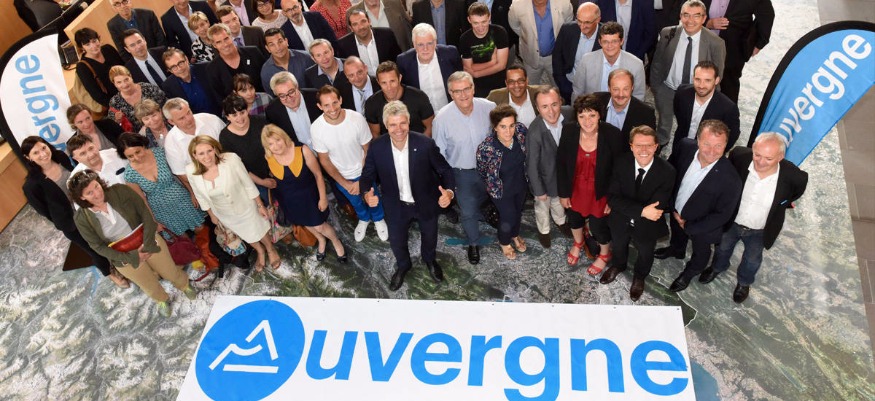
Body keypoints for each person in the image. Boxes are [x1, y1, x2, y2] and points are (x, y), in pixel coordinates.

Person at [70, 170, 197, 317]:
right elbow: (97, 246)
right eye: (89, 193)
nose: (97, 193)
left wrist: (148, 243)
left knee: (170, 271)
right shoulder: (81, 218)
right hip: (122, 257)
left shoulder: (120, 190)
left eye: (96, 186)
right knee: (148, 284)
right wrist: (133, 257)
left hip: (148, 240)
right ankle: (161, 299)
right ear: (81, 197)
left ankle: (184, 284)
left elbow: (145, 213)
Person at [700, 132, 807, 303]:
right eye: (757, 155)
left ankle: (744, 282)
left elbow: (794, 194)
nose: (761, 162)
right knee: (722, 248)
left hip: (760, 230)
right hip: (733, 221)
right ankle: (717, 267)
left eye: (769, 158)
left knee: (752, 260)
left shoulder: (795, 176)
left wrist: (782, 203)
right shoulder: (739, 156)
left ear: (780, 157)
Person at [360, 101, 455, 290]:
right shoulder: (377, 147)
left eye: (402, 123)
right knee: (397, 241)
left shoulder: (425, 143)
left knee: (430, 236)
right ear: (386, 126)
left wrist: (450, 192)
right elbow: (367, 175)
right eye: (393, 124)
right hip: (396, 205)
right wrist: (366, 194)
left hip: (425, 202)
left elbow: (445, 169)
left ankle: (429, 260)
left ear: (409, 122)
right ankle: (403, 265)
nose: (399, 129)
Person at [21, 137, 126, 289]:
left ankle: (122, 262)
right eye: (36, 153)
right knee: (93, 248)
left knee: (107, 237)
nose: (43, 154)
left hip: (89, 207)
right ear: (28, 157)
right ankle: (109, 273)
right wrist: (63, 219)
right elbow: (44, 210)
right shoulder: (31, 185)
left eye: (43, 148)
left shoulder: (60, 157)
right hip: (71, 222)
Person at [655, 119, 742, 293]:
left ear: (726, 145)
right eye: (707, 143)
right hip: (677, 211)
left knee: (701, 253)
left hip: (704, 226)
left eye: (718, 146)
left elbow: (722, 215)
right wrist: (671, 205)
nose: (712, 151)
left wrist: (689, 226)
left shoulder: (732, 179)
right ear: (698, 139)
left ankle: (689, 273)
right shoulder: (685, 147)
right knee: (677, 234)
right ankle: (677, 250)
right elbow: (671, 170)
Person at [117, 132, 222, 273]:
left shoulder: (160, 154)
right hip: (160, 209)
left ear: (143, 145)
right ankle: (197, 261)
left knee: (200, 227)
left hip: (181, 197)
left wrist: (192, 192)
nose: (136, 157)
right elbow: (141, 200)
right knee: (180, 237)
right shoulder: (129, 174)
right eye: (130, 156)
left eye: (138, 152)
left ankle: (210, 255)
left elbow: (179, 173)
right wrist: (153, 221)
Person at [599, 125, 676, 301]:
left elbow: (655, 208)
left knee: (645, 253)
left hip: (647, 226)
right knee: (618, 246)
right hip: (620, 220)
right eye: (639, 145)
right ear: (631, 146)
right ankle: (618, 266)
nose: (643, 150)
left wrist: (629, 207)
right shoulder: (620, 162)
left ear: (656, 146)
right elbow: (612, 198)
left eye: (648, 145)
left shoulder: (667, 172)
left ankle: (640, 277)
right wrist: (641, 210)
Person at [186, 135, 281, 271]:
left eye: (209, 151)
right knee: (245, 234)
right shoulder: (191, 171)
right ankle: (260, 251)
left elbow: (247, 183)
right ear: (194, 155)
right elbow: (200, 195)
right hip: (224, 213)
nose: (207, 157)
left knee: (258, 230)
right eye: (201, 153)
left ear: (215, 149)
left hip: (244, 205)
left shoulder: (231, 160)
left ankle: (270, 249)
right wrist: (211, 214)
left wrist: (260, 205)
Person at [556, 94, 626, 273]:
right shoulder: (569, 131)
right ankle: (578, 242)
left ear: (599, 115)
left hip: (601, 191)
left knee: (599, 227)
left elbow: (620, 171)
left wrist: (612, 199)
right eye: (582, 116)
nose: (587, 121)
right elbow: (561, 164)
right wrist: (563, 193)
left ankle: (604, 254)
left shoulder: (612, 134)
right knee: (574, 220)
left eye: (592, 115)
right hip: (575, 189)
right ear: (576, 117)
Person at [433, 71, 497, 265]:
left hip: (489, 169)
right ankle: (473, 242)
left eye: (466, 89)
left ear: (473, 88)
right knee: (467, 211)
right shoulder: (441, 119)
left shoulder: (489, 108)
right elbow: (438, 155)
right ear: (450, 93)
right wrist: (447, 182)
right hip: (461, 173)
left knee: (496, 200)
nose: (463, 95)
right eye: (457, 91)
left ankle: (487, 216)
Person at [311, 86, 388, 241]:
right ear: (319, 106)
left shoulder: (356, 118)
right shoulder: (316, 128)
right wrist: (345, 183)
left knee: (373, 198)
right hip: (341, 176)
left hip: (363, 171)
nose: (332, 109)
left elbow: (368, 150)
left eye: (334, 102)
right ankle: (364, 218)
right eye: (326, 105)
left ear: (340, 100)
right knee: (356, 202)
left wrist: (363, 179)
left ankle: (379, 218)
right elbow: (324, 160)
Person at [262, 124, 348, 262]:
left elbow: (318, 175)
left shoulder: (302, 150)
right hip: (289, 200)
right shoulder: (269, 157)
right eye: (271, 144)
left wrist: (323, 198)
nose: (276, 146)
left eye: (278, 140)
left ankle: (335, 241)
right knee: (304, 223)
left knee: (320, 225)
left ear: (284, 137)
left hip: (309, 197)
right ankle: (321, 240)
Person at [650, 0, 725, 147]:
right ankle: (662, 143)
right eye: (686, 15)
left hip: (696, 94)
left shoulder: (716, 43)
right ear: (680, 16)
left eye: (696, 16)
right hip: (668, 88)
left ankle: (685, 148)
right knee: (664, 122)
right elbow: (657, 62)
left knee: (691, 127)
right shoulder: (667, 33)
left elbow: (718, 74)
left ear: (704, 18)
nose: (690, 20)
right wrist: (657, 87)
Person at [476, 105, 529, 260]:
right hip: (500, 190)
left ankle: (515, 234)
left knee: (518, 212)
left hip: (520, 184)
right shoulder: (486, 148)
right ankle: (504, 241)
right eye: (503, 127)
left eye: (511, 125)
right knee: (508, 216)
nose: (508, 131)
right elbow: (481, 170)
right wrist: (492, 185)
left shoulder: (521, 132)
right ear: (495, 127)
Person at [526, 86, 573, 248]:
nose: (551, 111)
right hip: (544, 180)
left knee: (559, 203)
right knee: (542, 208)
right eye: (544, 107)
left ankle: (560, 221)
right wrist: (539, 191)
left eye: (554, 104)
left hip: (561, 178)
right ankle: (544, 230)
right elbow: (531, 165)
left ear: (560, 101)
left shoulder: (569, 115)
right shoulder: (534, 132)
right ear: (537, 108)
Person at [704, 0, 774, 103]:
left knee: (728, 88)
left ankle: (727, 113)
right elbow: (686, 6)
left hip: (734, 47)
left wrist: (759, 43)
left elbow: (766, 14)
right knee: (699, 81)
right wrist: (707, 23)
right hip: (702, 42)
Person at [670, 60, 740, 154]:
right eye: (698, 79)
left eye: (707, 80)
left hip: (706, 153)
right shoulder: (682, 93)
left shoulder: (728, 108)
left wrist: (714, 153)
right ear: (693, 78)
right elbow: (678, 114)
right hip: (680, 145)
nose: (701, 85)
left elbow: (733, 135)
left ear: (716, 80)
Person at [570, 21, 645, 101]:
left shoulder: (636, 65)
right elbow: (577, 93)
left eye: (614, 41)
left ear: (621, 41)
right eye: (605, 42)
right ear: (600, 42)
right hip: (592, 107)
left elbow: (638, 97)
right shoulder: (586, 61)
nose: (610, 46)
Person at [396, 23, 462, 113]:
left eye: (429, 43)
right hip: (423, 116)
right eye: (420, 44)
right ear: (414, 45)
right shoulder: (404, 62)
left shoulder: (450, 54)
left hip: (452, 110)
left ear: (435, 42)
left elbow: (461, 80)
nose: (425, 49)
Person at [219, 95, 274, 201]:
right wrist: (262, 182)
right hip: (253, 182)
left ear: (247, 110)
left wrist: (275, 169)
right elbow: (237, 167)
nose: (240, 118)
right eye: (234, 115)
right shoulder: (225, 137)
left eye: (242, 112)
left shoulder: (261, 122)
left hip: (275, 171)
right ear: (227, 117)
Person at [508, 0, 574, 85]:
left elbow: (567, 25)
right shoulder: (517, 5)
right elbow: (515, 26)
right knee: (530, 87)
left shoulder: (564, 3)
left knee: (558, 87)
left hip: (555, 57)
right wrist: (528, 38)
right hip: (530, 56)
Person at [364, 61, 434, 137]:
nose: (389, 87)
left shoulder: (418, 97)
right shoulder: (372, 103)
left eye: (392, 81)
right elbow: (375, 134)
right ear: (378, 82)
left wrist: (421, 143)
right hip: (388, 144)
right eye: (384, 83)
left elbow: (430, 126)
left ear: (400, 78)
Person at [162, 97, 227, 178]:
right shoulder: (171, 143)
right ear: (171, 122)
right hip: (201, 180)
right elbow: (182, 174)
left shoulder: (212, 120)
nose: (189, 119)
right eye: (182, 118)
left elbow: (231, 146)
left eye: (188, 112)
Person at [553, 2, 602, 103]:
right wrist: (563, 85)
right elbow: (557, 57)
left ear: (598, 20)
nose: (582, 26)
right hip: (569, 85)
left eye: (587, 22)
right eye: (579, 21)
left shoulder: (607, 36)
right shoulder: (567, 29)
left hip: (595, 90)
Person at [459, 2, 510, 97]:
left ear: (489, 17)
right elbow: (468, 68)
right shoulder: (465, 38)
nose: (480, 27)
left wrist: (477, 73)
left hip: (499, 84)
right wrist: (492, 62)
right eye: (476, 23)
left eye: (484, 22)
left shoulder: (499, 32)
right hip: (477, 88)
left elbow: (501, 65)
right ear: (469, 20)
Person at [207, 24, 268, 98]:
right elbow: (220, 98)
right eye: (219, 42)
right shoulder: (212, 69)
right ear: (214, 45)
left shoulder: (253, 52)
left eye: (226, 39)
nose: (225, 44)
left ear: (231, 37)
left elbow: (266, 78)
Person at [593, 68, 656, 140]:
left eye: (625, 89)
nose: (621, 94)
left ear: (632, 88)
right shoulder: (596, 101)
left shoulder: (646, 114)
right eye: (616, 89)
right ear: (609, 88)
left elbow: (648, 143)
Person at [335, 9, 402, 75]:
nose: (361, 27)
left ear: (369, 21)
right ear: (351, 28)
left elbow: (398, 61)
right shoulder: (343, 45)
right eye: (355, 24)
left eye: (363, 21)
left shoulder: (387, 35)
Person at [161, 47, 221, 115]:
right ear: (170, 70)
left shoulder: (206, 68)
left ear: (186, 59)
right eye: (174, 67)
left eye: (180, 63)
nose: (179, 68)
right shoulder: (168, 86)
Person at [74, 28, 125, 108]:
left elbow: (126, 69)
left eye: (94, 41)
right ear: (82, 47)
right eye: (87, 44)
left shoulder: (108, 49)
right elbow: (97, 96)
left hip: (130, 89)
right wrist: (119, 105)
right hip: (115, 103)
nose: (93, 46)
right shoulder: (82, 67)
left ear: (98, 39)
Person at [108, 65, 168, 133]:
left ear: (131, 76)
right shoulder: (115, 102)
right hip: (141, 137)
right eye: (119, 82)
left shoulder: (148, 88)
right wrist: (118, 120)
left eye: (126, 79)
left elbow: (166, 105)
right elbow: (114, 127)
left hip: (164, 127)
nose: (124, 85)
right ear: (114, 84)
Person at [260, 27, 315, 96]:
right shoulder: (266, 71)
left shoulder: (306, 58)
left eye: (280, 42)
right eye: (272, 45)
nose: (278, 47)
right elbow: (273, 98)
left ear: (286, 41)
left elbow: (318, 82)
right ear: (267, 48)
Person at [349, 0, 413, 51]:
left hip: (400, 55)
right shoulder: (351, 13)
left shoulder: (395, 3)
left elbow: (408, 29)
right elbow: (352, 43)